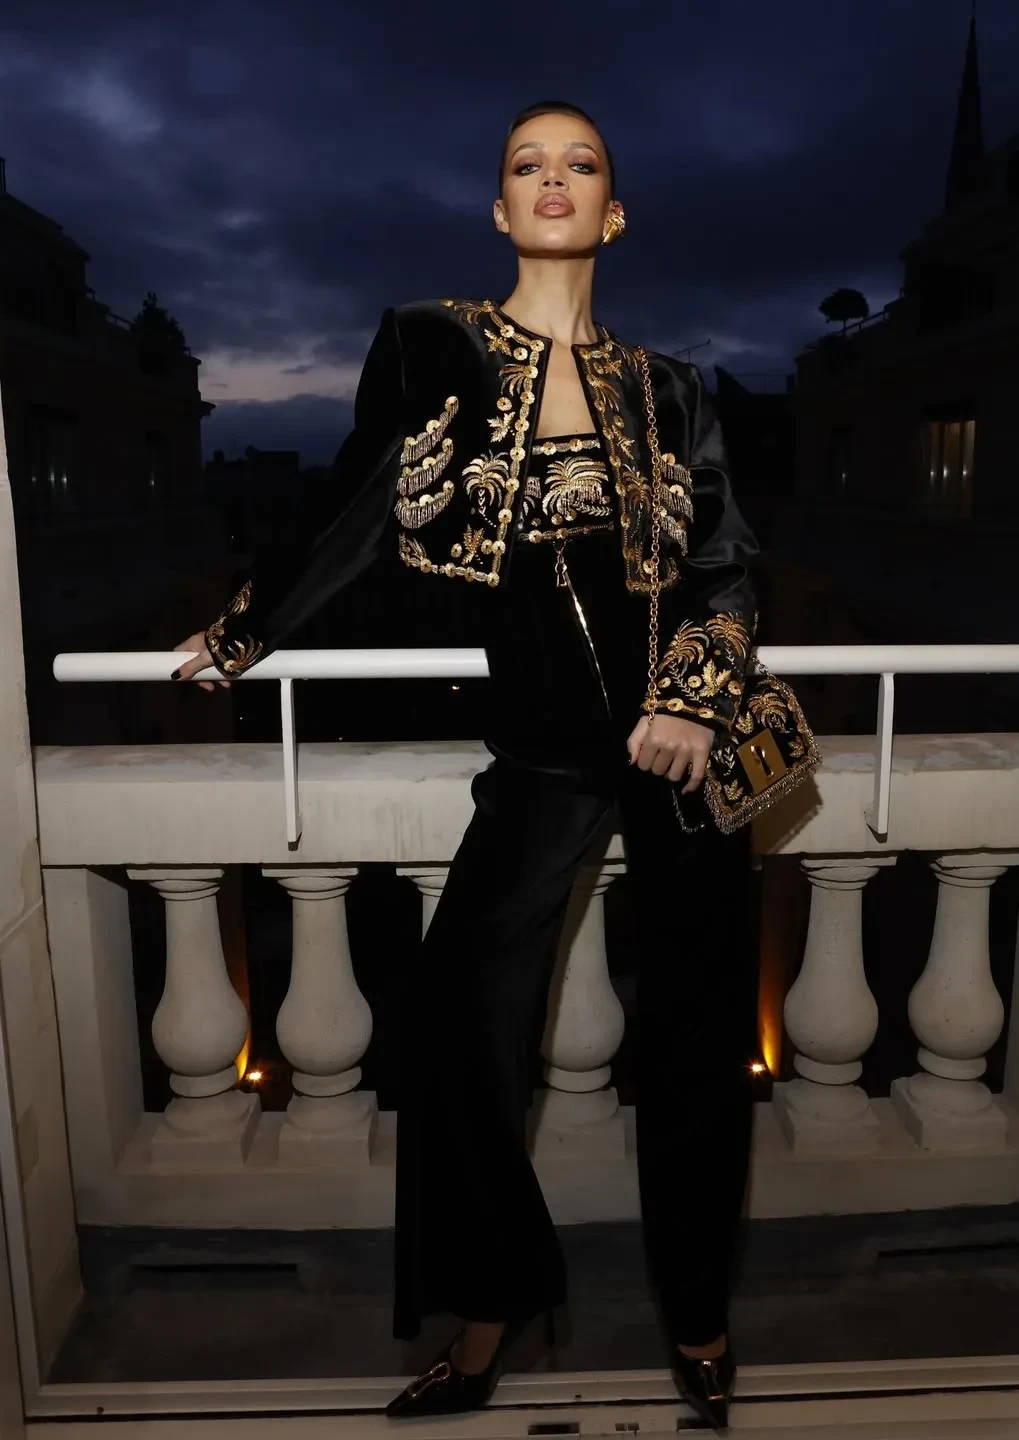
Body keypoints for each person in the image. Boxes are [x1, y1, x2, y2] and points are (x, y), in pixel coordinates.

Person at [174, 101, 760, 1433]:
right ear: (500, 210)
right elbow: (353, 502)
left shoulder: (672, 387)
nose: (554, 179)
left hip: (681, 749)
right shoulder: (431, 341)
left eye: (581, 163)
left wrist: (692, 700)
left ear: (614, 212)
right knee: (454, 1022)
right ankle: (493, 1304)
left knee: (698, 1034)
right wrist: (249, 628)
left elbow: (728, 564)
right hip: (546, 751)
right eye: (526, 164)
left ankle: (699, 1314)